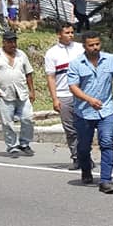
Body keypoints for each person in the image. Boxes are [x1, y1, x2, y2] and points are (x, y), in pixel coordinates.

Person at [67, 30, 113, 194]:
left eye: (97, 44)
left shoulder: (110, 59)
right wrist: (89, 99)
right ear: (84, 46)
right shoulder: (76, 64)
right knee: (83, 147)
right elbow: (73, 87)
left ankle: (106, 181)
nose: (95, 47)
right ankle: (86, 170)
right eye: (91, 45)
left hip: (106, 110)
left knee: (107, 143)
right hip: (83, 113)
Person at [0, 31, 36, 157]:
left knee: (28, 118)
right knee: (7, 122)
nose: (13, 44)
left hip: (22, 92)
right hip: (3, 93)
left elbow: (28, 73)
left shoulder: (21, 55)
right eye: (9, 42)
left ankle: (25, 143)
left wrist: (32, 91)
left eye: (14, 41)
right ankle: (12, 146)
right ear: (3, 42)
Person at [44, 23, 85, 170]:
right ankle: (76, 157)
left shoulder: (81, 49)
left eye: (72, 32)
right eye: (67, 33)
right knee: (70, 129)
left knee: (84, 128)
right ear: (59, 34)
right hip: (63, 95)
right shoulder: (52, 53)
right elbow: (51, 77)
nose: (70, 35)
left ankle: (86, 156)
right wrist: (55, 98)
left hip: (82, 95)